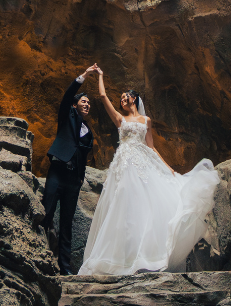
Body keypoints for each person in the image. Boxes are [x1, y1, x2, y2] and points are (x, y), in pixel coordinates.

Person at [76, 68, 219, 276]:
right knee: (123, 206)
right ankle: (120, 259)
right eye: (121, 98)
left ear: (134, 98)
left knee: (146, 207)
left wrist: (168, 167)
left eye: (126, 96)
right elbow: (103, 96)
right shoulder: (120, 119)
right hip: (124, 166)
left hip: (143, 164)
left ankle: (146, 256)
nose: (122, 100)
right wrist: (100, 76)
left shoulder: (146, 121)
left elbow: (151, 147)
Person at [44, 63, 101, 275]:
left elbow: (84, 155)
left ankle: (65, 268)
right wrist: (84, 75)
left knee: (67, 223)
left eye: (89, 103)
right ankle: (40, 258)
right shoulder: (66, 116)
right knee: (47, 212)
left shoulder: (88, 131)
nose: (87, 105)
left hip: (72, 180)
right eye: (84, 102)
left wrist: (79, 179)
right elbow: (68, 95)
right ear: (76, 105)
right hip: (57, 173)